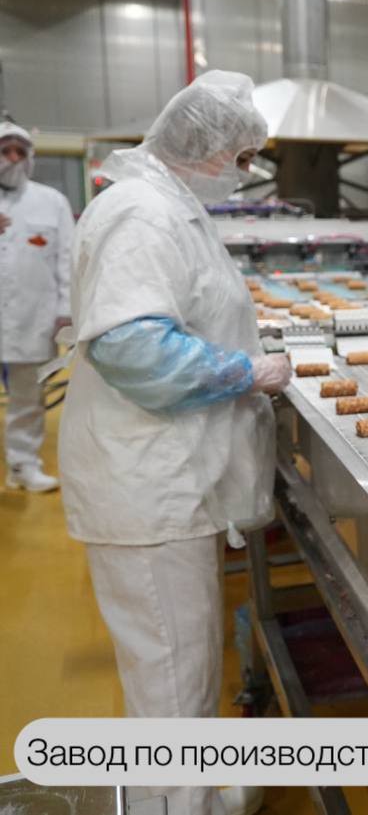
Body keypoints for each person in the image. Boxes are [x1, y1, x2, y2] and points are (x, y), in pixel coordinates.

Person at [59, 71, 289, 815]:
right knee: (170, 679)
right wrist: (248, 371)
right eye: (242, 157)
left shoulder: (168, 205)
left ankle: (195, 796)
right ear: (207, 146)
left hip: (169, 478)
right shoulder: (143, 213)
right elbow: (133, 349)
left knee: (180, 670)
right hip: (149, 485)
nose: (244, 172)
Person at [0, 122, 74, 492]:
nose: (13, 158)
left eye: (20, 151)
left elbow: (67, 260)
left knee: (28, 398)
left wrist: (66, 310)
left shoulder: (52, 202)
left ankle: (22, 465)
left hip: (32, 318)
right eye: (5, 151)